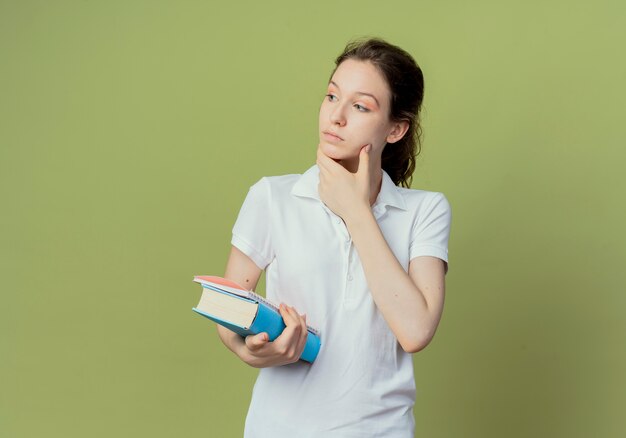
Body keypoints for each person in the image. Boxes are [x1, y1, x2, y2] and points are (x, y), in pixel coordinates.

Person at [216, 37, 452, 437]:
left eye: (360, 106)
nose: (336, 117)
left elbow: (415, 331)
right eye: (331, 96)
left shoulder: (425, 211)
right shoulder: (272, 197)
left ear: (395, 129)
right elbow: (228, 311)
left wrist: (356, 211)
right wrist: (251, 350)